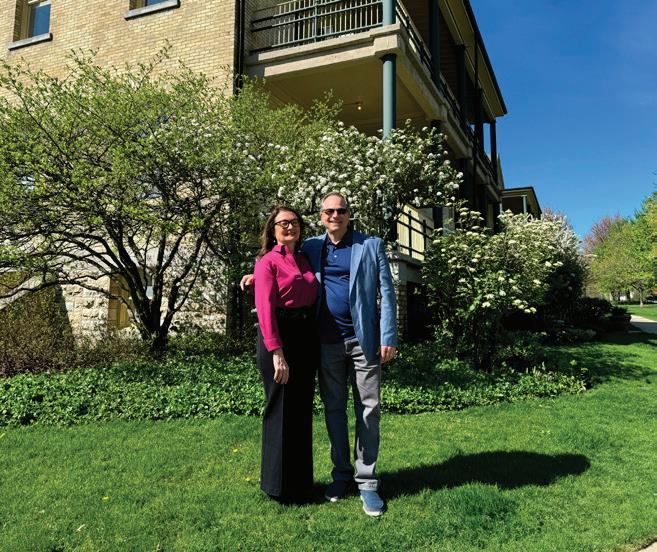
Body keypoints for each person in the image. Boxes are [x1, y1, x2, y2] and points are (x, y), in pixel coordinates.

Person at [244, 192, 397, 516]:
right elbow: (279, 265)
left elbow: (387, 292)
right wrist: (256, 275)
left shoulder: (370, 246)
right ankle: (341, 475)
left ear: (349, 214)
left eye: (341, 210)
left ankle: (367, 482)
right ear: (321, 216)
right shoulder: (313, 247)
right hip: (326, 343)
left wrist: (388, 336)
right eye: (329, 211)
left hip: (364, 341)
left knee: (368, 410)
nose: (335, 216)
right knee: (334, 410)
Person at [253, 205, 319, 504]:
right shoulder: (267, 261)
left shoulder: (305, 258)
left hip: (305, 336)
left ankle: (302, 484)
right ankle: (277, 486)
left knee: (302, 409)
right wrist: (276, 352)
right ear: (273, 229)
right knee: (280, 409)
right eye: (283, 223)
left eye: (294, 222)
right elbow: (265, 308)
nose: (289, 227)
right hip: (279, 336)